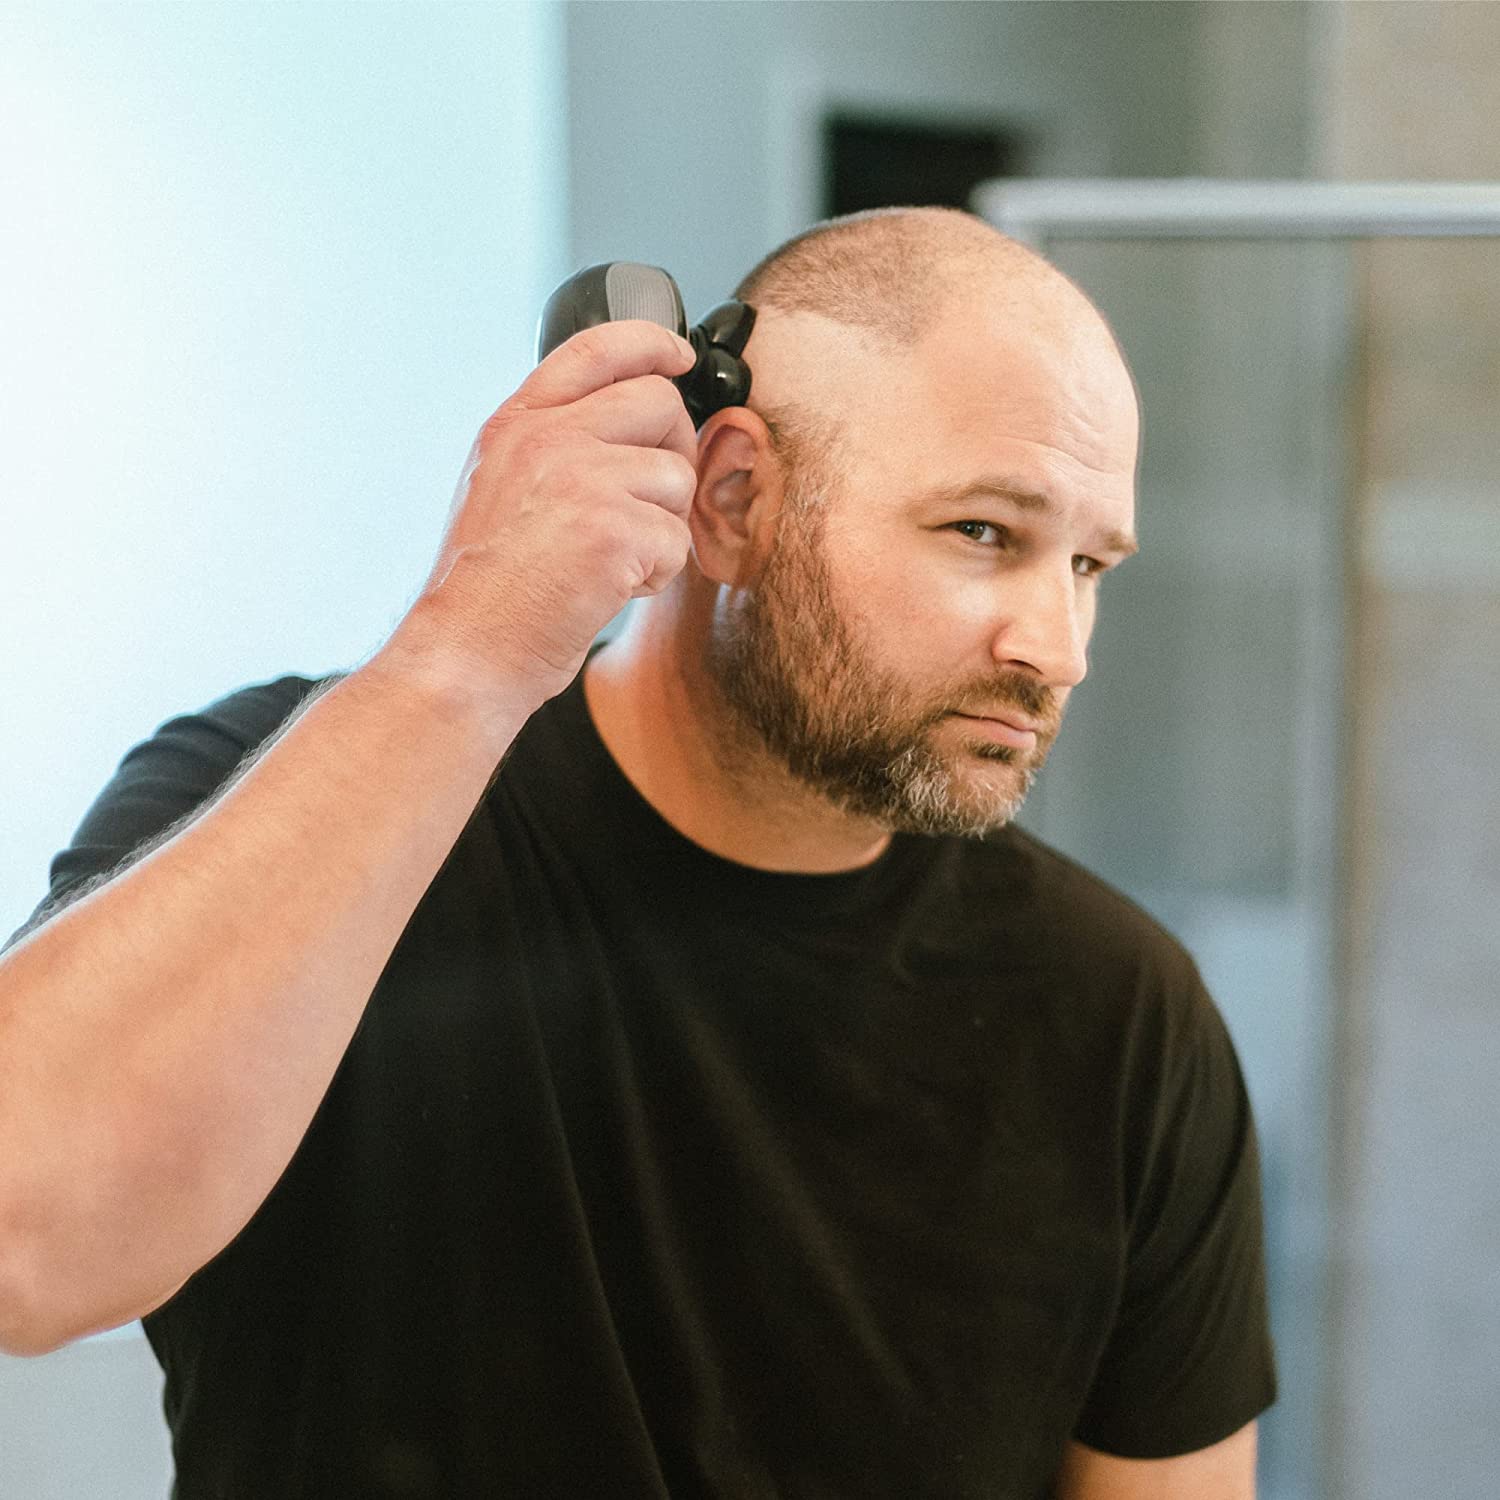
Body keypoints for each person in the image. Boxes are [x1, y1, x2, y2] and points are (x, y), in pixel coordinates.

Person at [0, 207, 1276, 1498]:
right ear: (729, 500)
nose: (1056, 649)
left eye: (1090, 562)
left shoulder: (1115, 1007)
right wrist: (471, 647)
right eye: (983, 535)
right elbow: (24, 1246)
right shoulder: (293, 800)